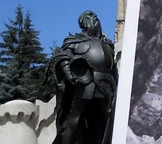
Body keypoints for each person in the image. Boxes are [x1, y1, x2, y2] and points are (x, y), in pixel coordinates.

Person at [49, 11, 118, 144]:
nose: (97, 22)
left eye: (97, 18)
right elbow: (63, 58)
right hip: (85, 83)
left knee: (106, 121)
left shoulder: (107, 44)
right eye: (93, 19)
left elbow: (114, 68)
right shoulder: (74, 41)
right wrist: (70, 75)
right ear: (85, 22)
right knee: (74, 121)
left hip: (106, 84)